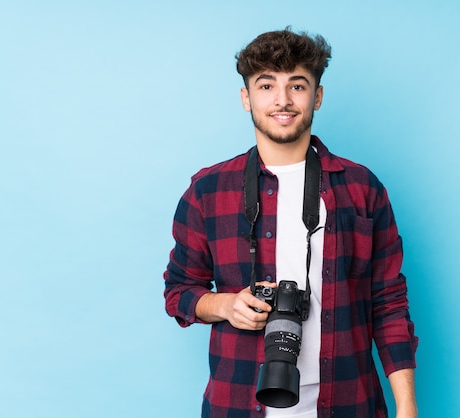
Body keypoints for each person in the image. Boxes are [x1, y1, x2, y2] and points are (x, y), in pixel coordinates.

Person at [164, 28, 419, 418]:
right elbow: (179, 291)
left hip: (348, 401)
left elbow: (388, 302)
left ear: (317, 96)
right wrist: (227, 304)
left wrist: (406, 406)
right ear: (246, 97)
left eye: (297, 86)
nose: (282, 100)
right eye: (266, 85)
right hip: (239, 401)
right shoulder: (208, 191)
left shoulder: (361, 188)